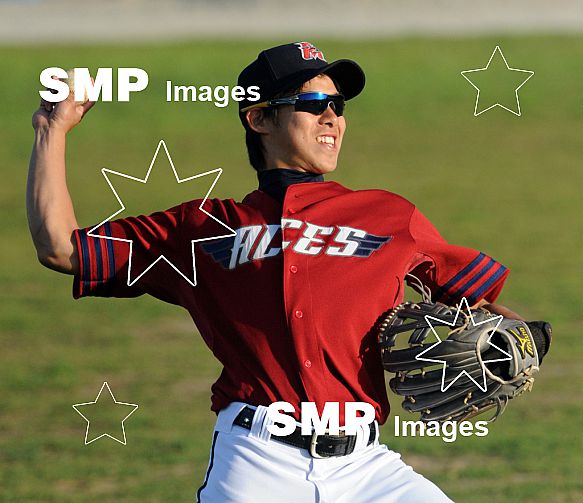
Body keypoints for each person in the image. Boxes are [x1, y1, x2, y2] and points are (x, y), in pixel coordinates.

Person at [27, 41, 525, 502]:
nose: (332, 117)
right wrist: (53, 130)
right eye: (313, 104)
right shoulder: (201, 227)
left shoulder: (390, 216)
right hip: (257, 462)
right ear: (260, 118)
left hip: (368, 470)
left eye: (338, 107)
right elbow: (61, 248)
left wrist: (521, 344)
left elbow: (485, 309)